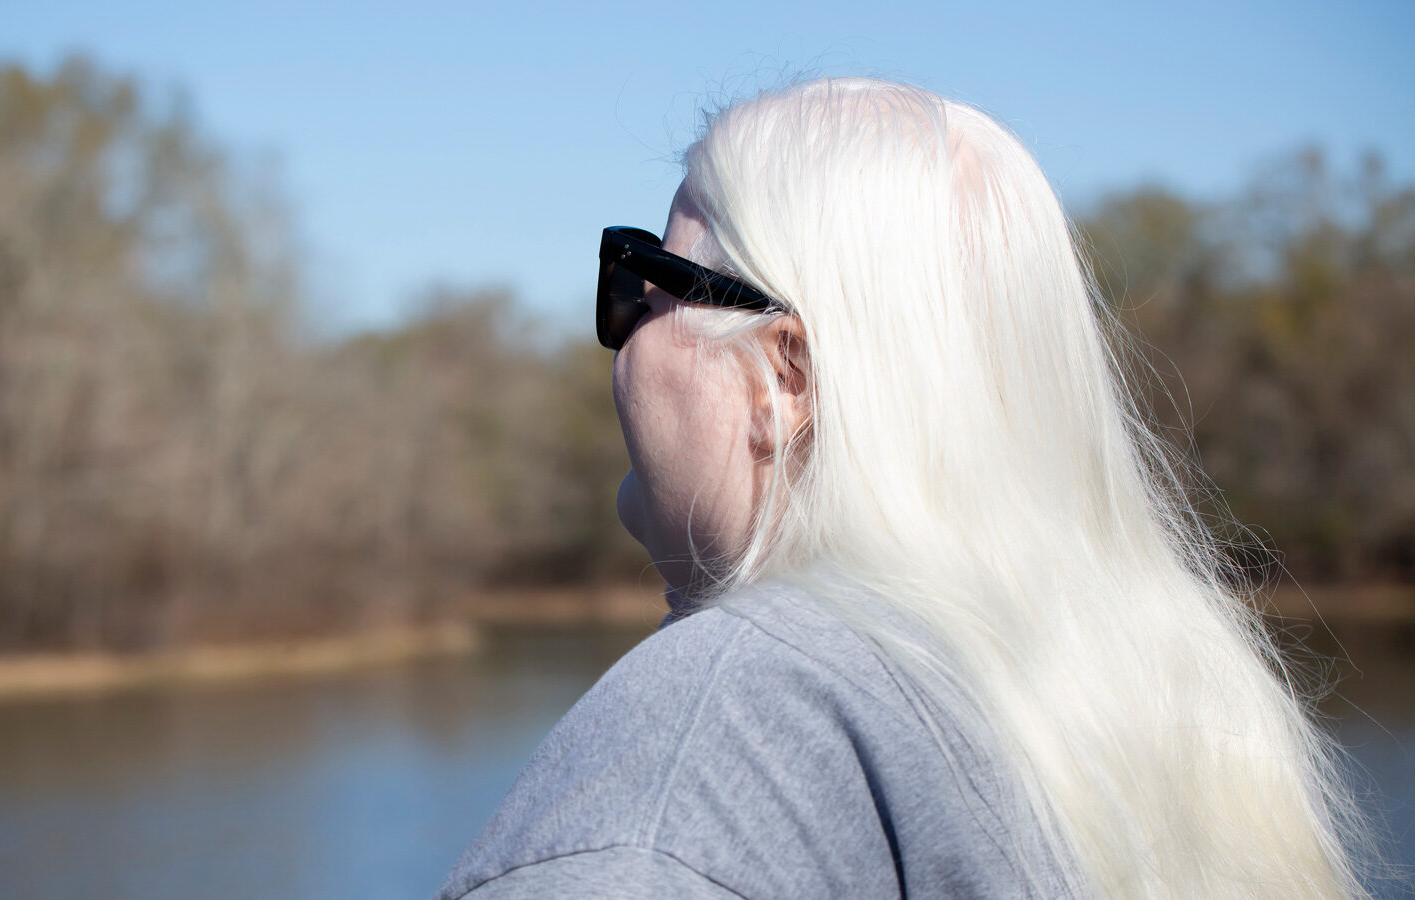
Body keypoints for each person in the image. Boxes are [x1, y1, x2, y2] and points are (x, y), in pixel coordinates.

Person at [435, 77, 1372, 899]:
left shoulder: (724, 725)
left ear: (785, 375)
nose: (623, 323)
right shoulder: (1164, 689)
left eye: (644, 278)